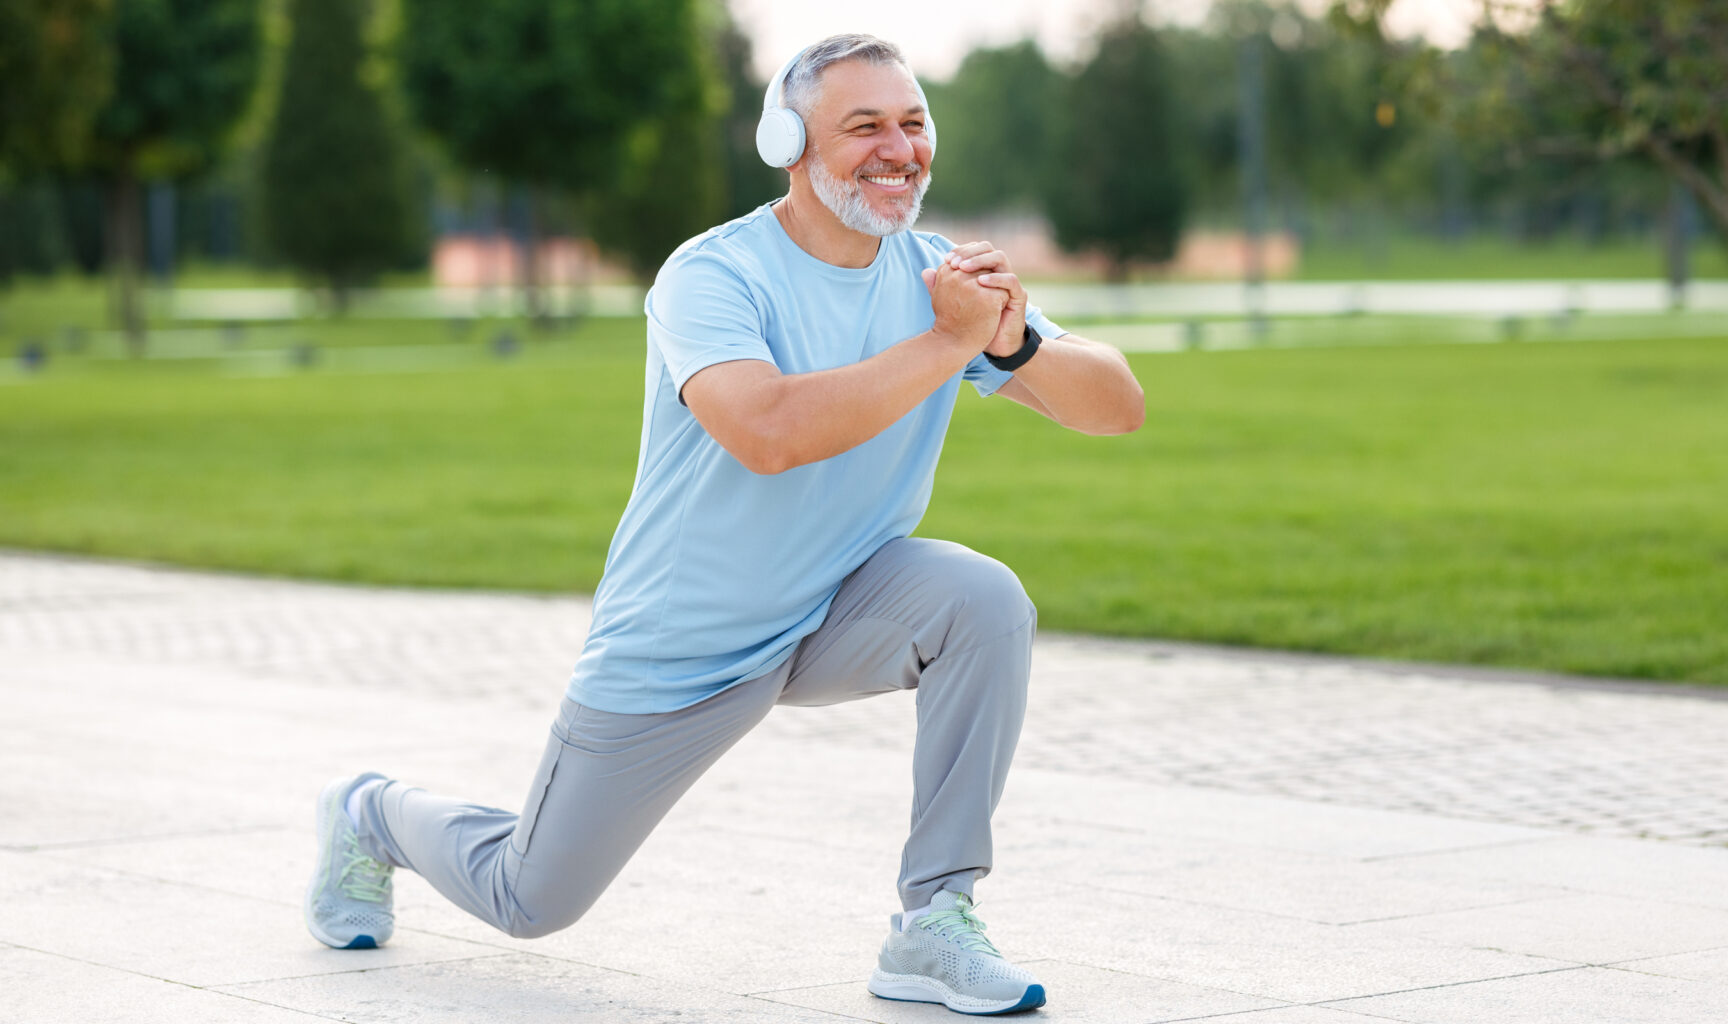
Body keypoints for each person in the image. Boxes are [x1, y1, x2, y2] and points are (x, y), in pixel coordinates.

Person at [305, 33, 1143, 1017]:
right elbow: (769, 430)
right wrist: (950, 340)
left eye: (913, 123)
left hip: (837, 608)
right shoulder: (712, 276)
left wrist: (1015, 334)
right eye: (863, 126)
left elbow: (1115, 405)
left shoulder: (936, 284)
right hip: (685, 646)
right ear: (787, 140)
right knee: (530, 898)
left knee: (982, 601)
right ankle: (368, 814)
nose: (898, 148)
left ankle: (934, 921)